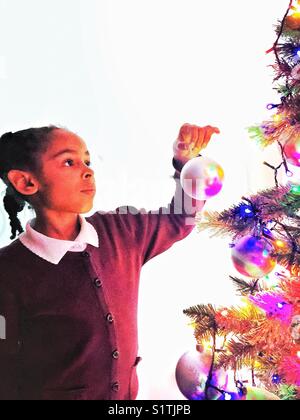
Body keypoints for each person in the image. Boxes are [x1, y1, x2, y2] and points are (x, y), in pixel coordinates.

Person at [0, 123, 219, 400]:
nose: (87, 170)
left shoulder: (120, 230)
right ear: (26, 182)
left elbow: (179, 220)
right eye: (69, 162)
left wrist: (186, 163)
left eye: (87, 161)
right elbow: (4, 369)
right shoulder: (9, 271)